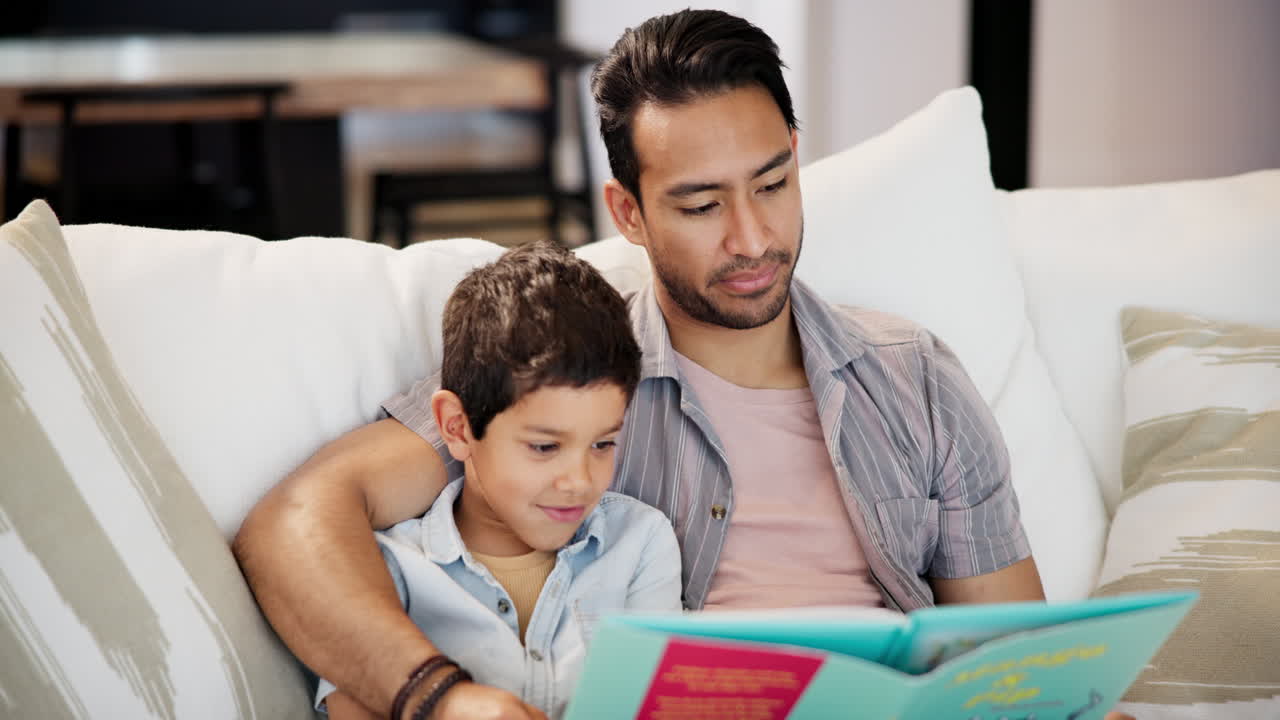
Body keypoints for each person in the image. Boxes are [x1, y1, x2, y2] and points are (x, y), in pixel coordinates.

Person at [236, 9, 1133, 720]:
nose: (753, 239)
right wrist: (438, 697)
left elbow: (1009, 654)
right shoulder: (571, 367)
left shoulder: (916, 381)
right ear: (628, 212)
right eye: (701, 204)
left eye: (774, 185)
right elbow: (294, 525)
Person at [318, 242, 681, 720]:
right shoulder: (393, 571)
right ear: (458, 427)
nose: (578, 482)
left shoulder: (641, 543)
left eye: (602, 444)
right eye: (544, 447)